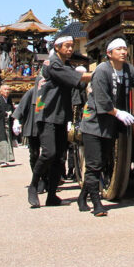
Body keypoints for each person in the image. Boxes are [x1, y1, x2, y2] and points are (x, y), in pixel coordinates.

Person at [78, 37, 134, 215]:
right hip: (94, 125)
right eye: (119, 49)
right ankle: (97, 203)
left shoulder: (128, 69)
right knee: (94, 164)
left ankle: (82, 196)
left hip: (110, 125)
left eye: (124, 49)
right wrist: (119, 113)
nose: (123, 52)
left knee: (102, 162)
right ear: (109, 53)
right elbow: (102, 100)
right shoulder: (102, 70)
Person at [29, 35, 90, 208]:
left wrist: (82, 77)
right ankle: (34, 185)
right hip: (47, 113)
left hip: (61, 114)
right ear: (57, 47)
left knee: (60, 157)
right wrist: (96, 74)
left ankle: (52, 195)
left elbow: (78, 84)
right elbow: (74, 79)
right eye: (67, 46)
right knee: (49, 152)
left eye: (72, 46)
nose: (70, 49)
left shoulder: (66, 65)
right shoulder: (52, 63)